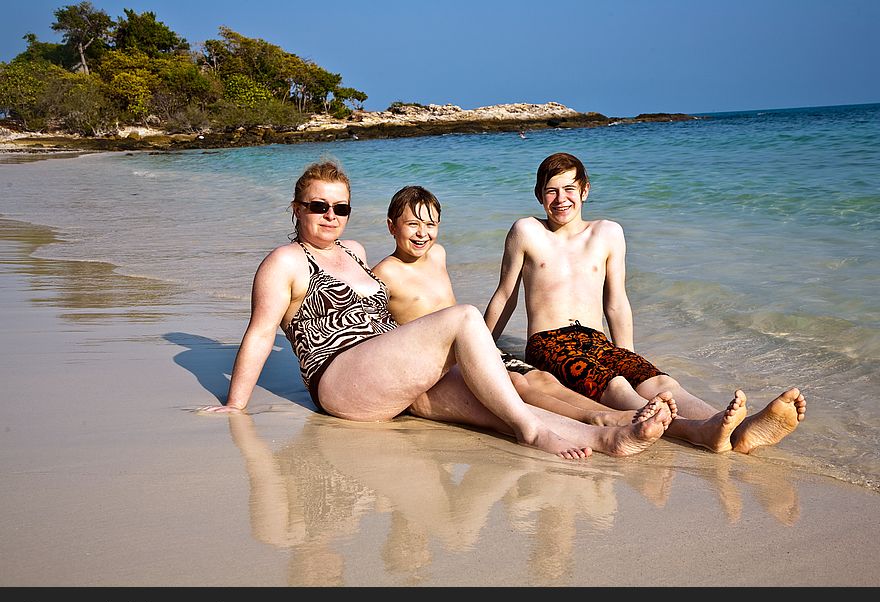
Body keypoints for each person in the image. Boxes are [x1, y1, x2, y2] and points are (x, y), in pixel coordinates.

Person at [200, 159, 674, 459]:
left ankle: (606, 437)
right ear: (296, 208)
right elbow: (261, 332)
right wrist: (234, 406)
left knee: (495, 411)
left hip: (391, 375)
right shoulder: (285, 261)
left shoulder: (357, 252)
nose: (330, 216)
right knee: (466, 318)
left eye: (340, 208)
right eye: (318, 206)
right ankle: (534, 432)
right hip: (342, 379)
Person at [483, 152, 807, 454]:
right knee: (618, 387)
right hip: (550, 342)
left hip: (598, 341)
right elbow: (505, 296)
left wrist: (627, 355)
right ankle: (698, 432)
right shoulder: (527, 231)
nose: (560, 199)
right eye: (551, 191)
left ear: (585, 190)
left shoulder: (607, 233)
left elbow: (616, 301)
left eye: (569, 188)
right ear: (539, 195)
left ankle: (738, 430)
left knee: (659, 381)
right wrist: (481, 349)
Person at [372, 184, 675, 429]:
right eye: (412, 224)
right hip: (434, 361)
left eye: (430, 224)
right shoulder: (384, 274)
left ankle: (602, 410)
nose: (422, 233)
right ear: (391, 227)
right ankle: (595, 417)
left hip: (464, 349)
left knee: (542, 379)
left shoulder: (438, 254)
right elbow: (377, 331)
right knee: (518, 384)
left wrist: (485, 343)